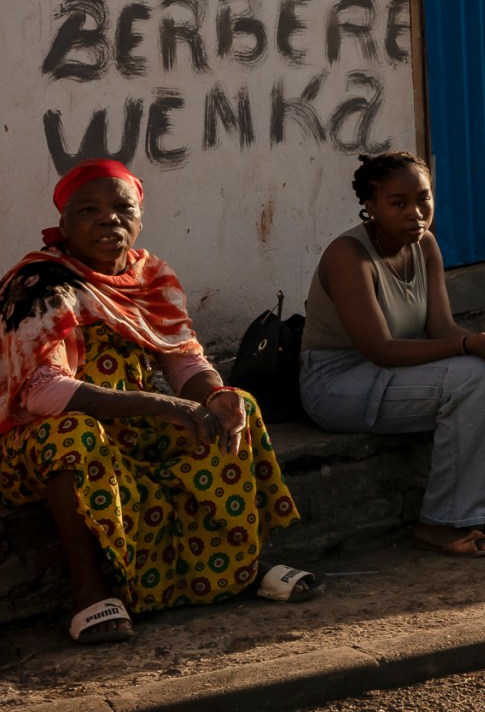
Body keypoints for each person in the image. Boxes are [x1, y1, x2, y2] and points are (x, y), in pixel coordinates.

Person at [0, 160, 311, 644]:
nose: (109, 220)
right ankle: (89, 592)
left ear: (140, 218)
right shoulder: (39, 286)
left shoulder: (151, 277)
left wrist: (214, 394)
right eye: (89, 210)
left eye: (123, 209)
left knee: (237, 407)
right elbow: (42, 394)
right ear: (63, 225)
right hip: (35, 442)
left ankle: (240, 566)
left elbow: (184, 361)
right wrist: (166, 407)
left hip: (129, 426)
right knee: (73, 433)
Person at [300, 153, 485, 558]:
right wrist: (469, 346)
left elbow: (442, 329)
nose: (415, 213)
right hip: (336, 384)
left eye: (424, 199)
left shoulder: (425, 246)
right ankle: (443, 522)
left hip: (398, 372)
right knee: (474, 379)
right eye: (398, 203)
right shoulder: (348, 256)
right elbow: (379, 349)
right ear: (370, 207)